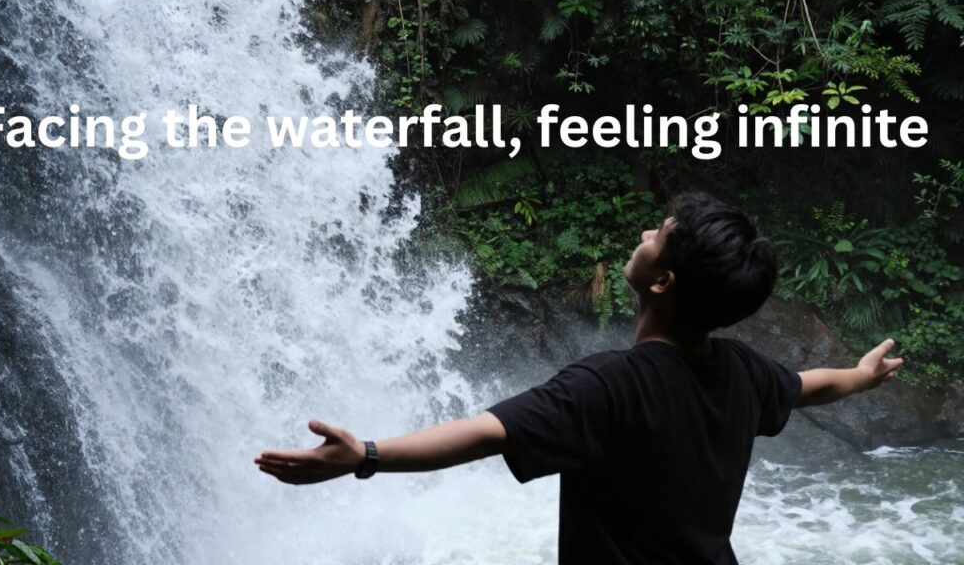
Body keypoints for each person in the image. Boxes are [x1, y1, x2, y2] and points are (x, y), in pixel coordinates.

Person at [255, 192, 903, 564]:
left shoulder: (608, 386)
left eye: (661, 234)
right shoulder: (741, 372)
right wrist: (860, 376)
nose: (647, 231)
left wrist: (364, 456)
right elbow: (806, 386)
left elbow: (486, 433)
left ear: (661, 281)